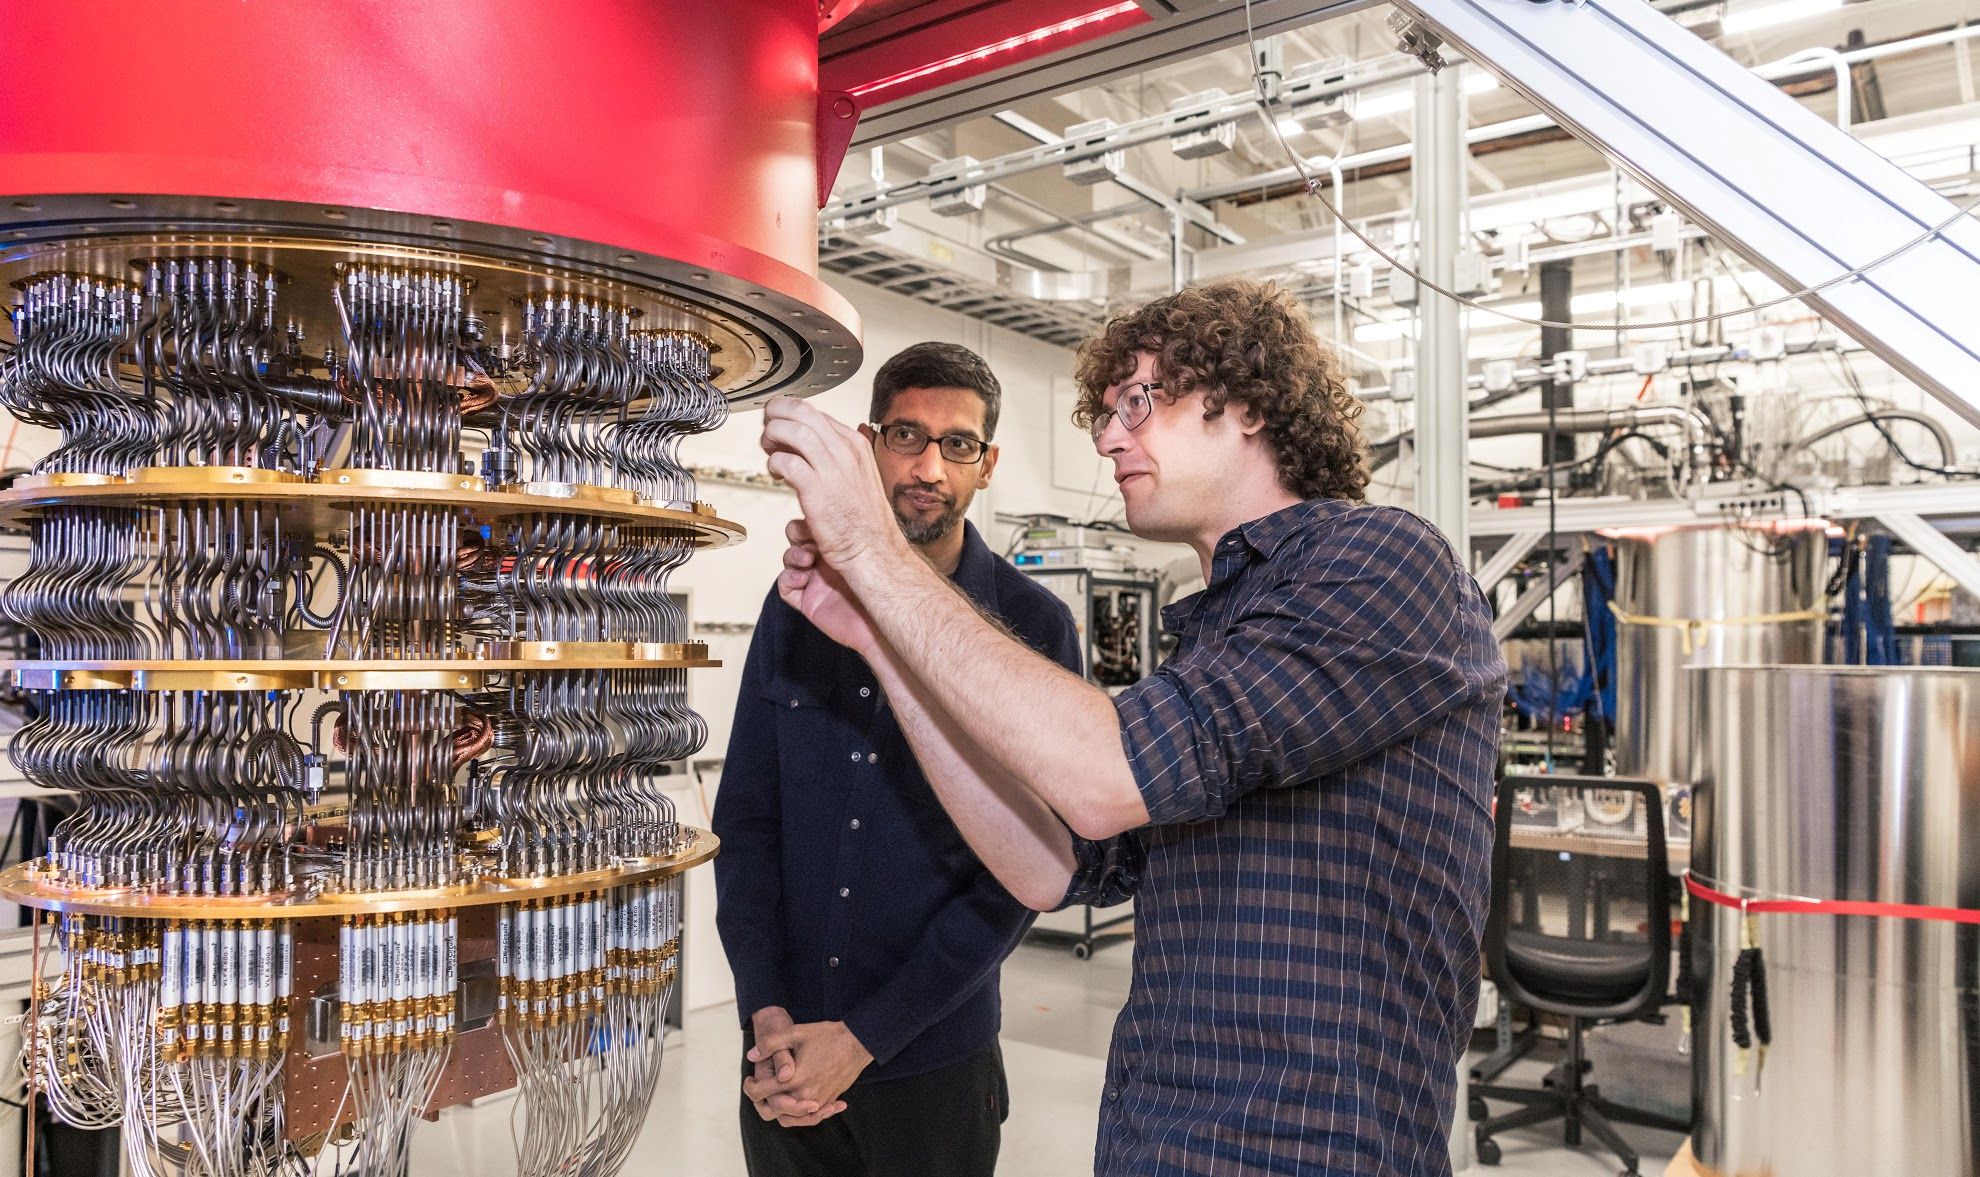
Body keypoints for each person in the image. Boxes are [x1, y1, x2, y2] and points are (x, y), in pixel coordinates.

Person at [754, 280, 1508, 1177]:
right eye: (1108, 413)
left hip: (1309, 1152)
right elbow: (1053, 864)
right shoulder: (1214, 637)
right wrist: (878, 641)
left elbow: (1105, 772)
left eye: (1140, 402)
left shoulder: (1385, 563)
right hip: (1156, 1143)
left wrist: (875, 551)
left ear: (1253, 405)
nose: (1110, 437)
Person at [713, 341, 1082, 1177]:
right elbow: (747, 818)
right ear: (870, 442)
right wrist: (764, 1009)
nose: (927, 465)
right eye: (906, 435)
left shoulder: (1035, 628)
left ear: (986, 465)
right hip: (782, 1055)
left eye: (957, 445)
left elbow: (1026, 872)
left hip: (933, 1064)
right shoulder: (797, 603)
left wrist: (866, 1036)